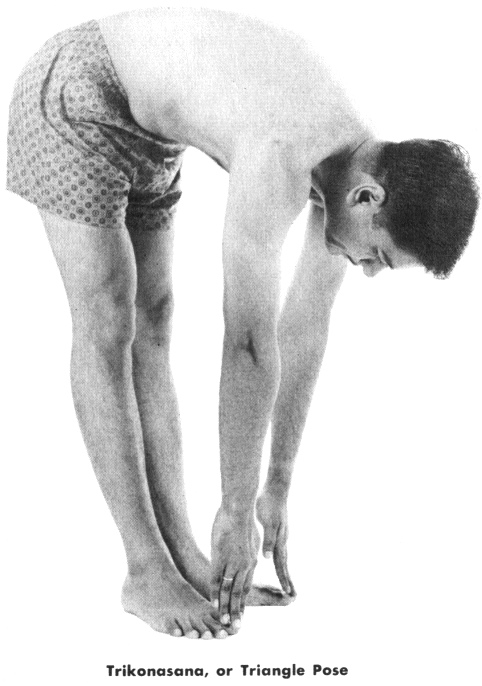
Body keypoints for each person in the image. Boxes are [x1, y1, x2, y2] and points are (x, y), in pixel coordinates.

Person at [6, 7, 478, 640]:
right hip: (79, 90)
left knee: (154, 320)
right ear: (368, 198)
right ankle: (144, 569)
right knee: (107, 320)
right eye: (378, 256)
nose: (367, 271)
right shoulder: (287, 152)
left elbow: (301, 331)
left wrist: (272, 490)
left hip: (149, 133)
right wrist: (234, 509)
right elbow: (249, 343)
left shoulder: (353, 169)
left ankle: (184, 560)